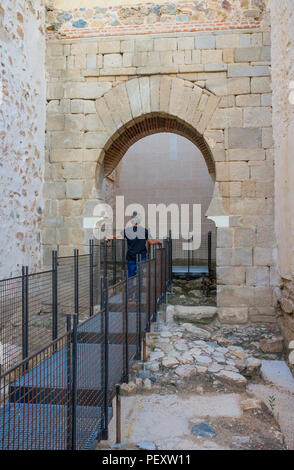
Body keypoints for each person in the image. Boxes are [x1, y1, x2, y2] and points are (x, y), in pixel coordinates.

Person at [107, 211, 161, 278]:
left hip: (131, 257)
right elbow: (151, 242)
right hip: (142, 257)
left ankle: (131, 288)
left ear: (132, 221)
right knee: (143, 275)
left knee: (131, 276)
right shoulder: (144, 231)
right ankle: (142, 288)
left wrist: (109, 238)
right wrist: (158, 242)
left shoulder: (127, 230)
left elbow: (116, 236)